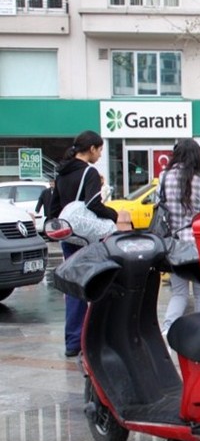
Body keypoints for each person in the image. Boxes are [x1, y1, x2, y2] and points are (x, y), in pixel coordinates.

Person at [49, 130, 119, 358]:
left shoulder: (61, 173)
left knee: (73, 287)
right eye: (99, 150)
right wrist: (113, 214)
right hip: (87, 237)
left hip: (68, 236)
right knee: (97, 284)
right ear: (91, 149)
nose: (99, 155)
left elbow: (53, 210)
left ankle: (73, 341)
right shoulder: (89, 172)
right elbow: (93, 204)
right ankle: (95, 337)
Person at [160, 138, 200, 336]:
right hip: (198, 246)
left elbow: (161, 209)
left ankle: (168, 330)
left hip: (174, 245)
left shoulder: (164, 178)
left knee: (179, 293)